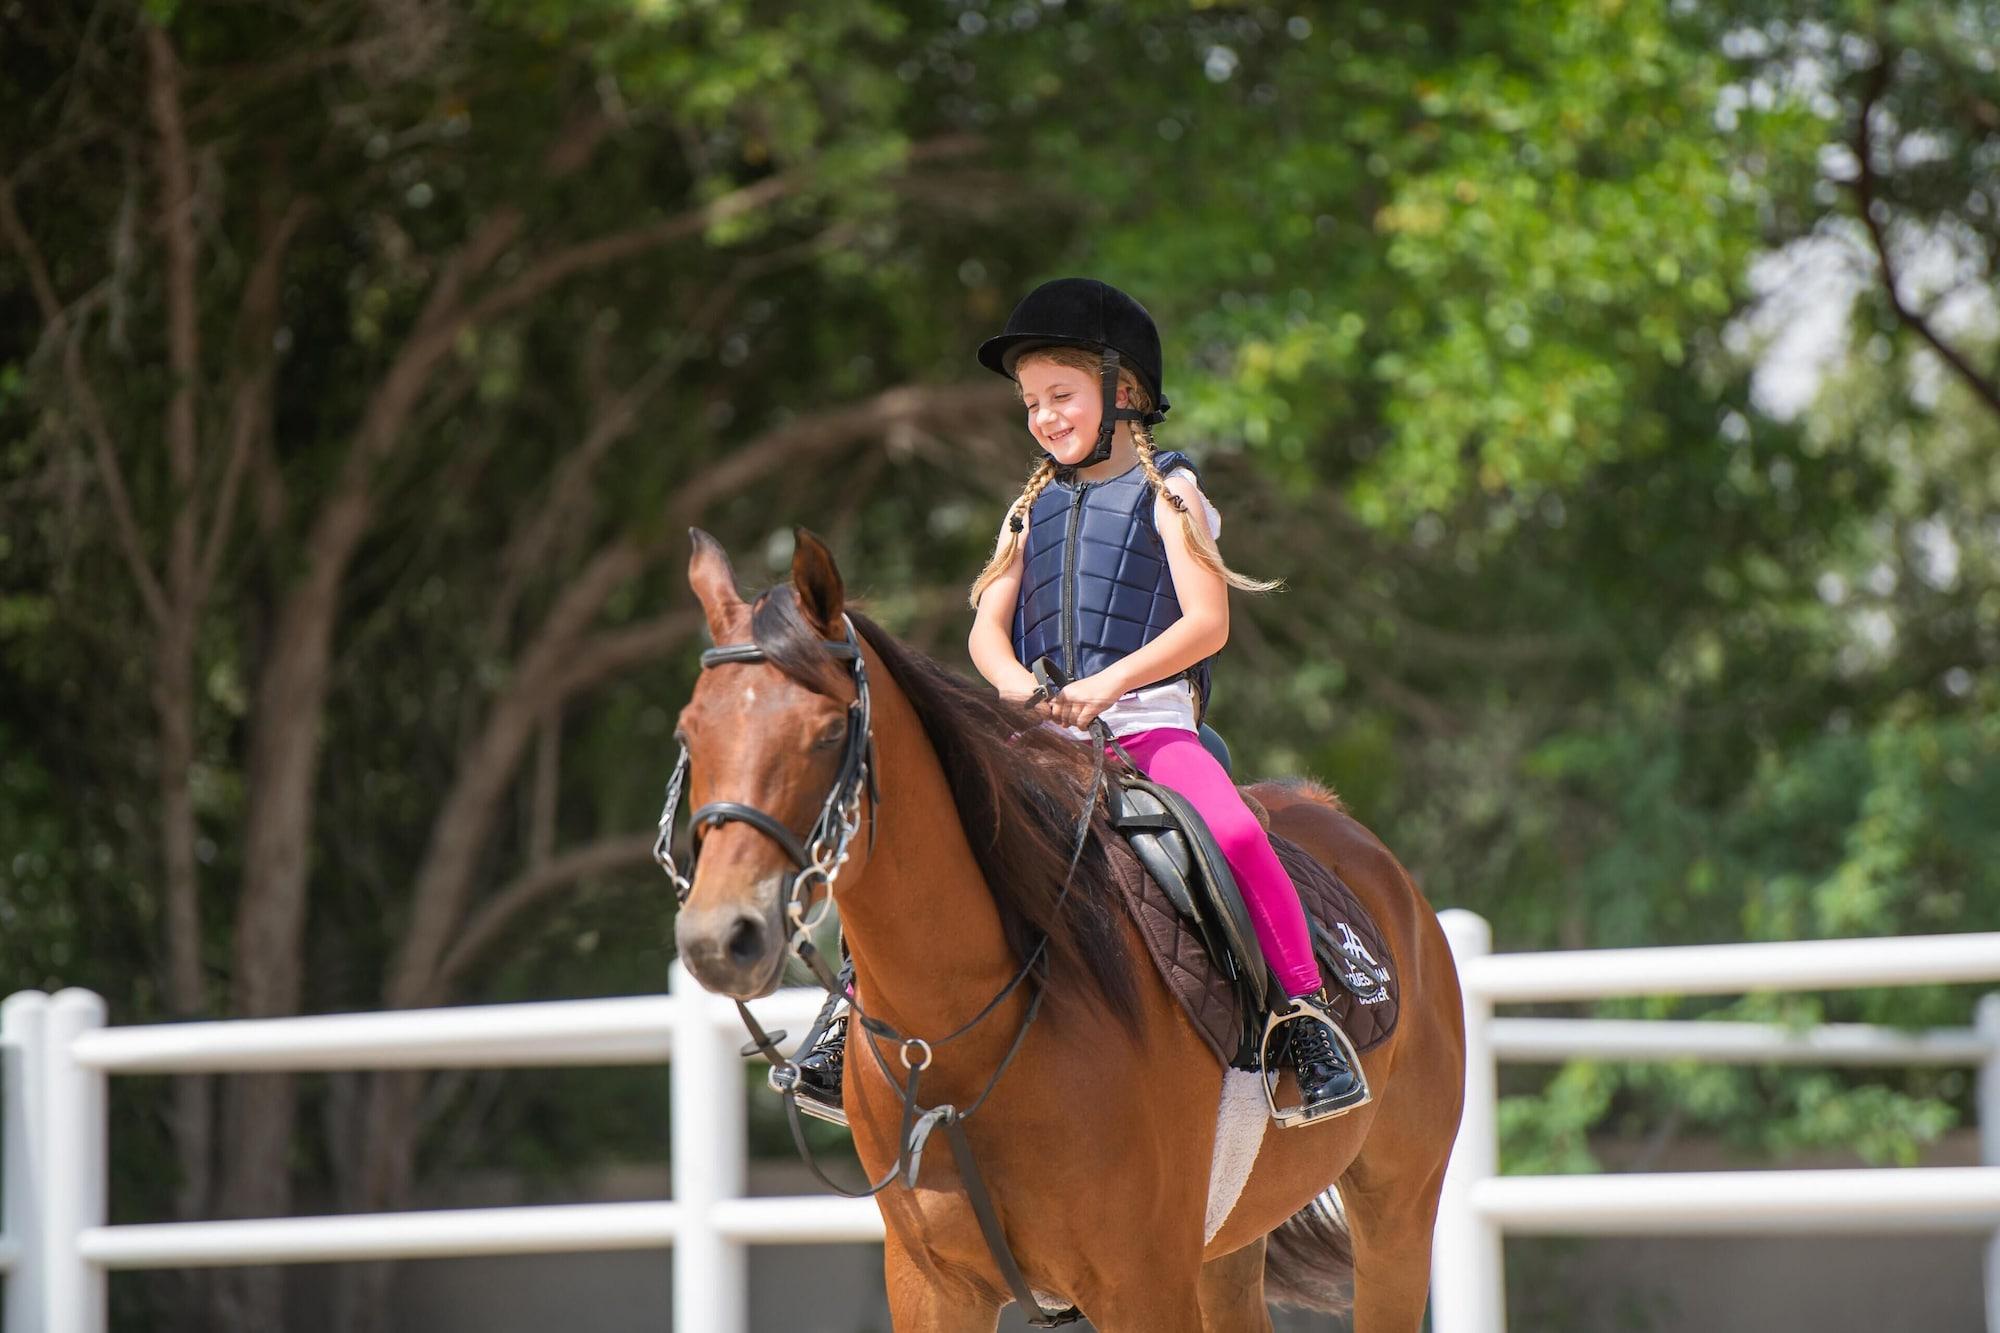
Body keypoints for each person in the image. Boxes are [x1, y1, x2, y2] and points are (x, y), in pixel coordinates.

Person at [790, 277, 1366, 1127]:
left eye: (1061, 395)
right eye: (1031, 403)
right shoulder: (1029, 510)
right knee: (919, 827)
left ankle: (1304, 1019)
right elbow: (988, 628)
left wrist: (1107, 684)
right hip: (1040, 731)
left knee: (1239, 830)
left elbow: (1208, 623)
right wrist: (1021, 687)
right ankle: (846, 1015)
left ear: (1122, 391)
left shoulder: (1173, 493)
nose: (1044, 417)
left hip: (1149, 726)